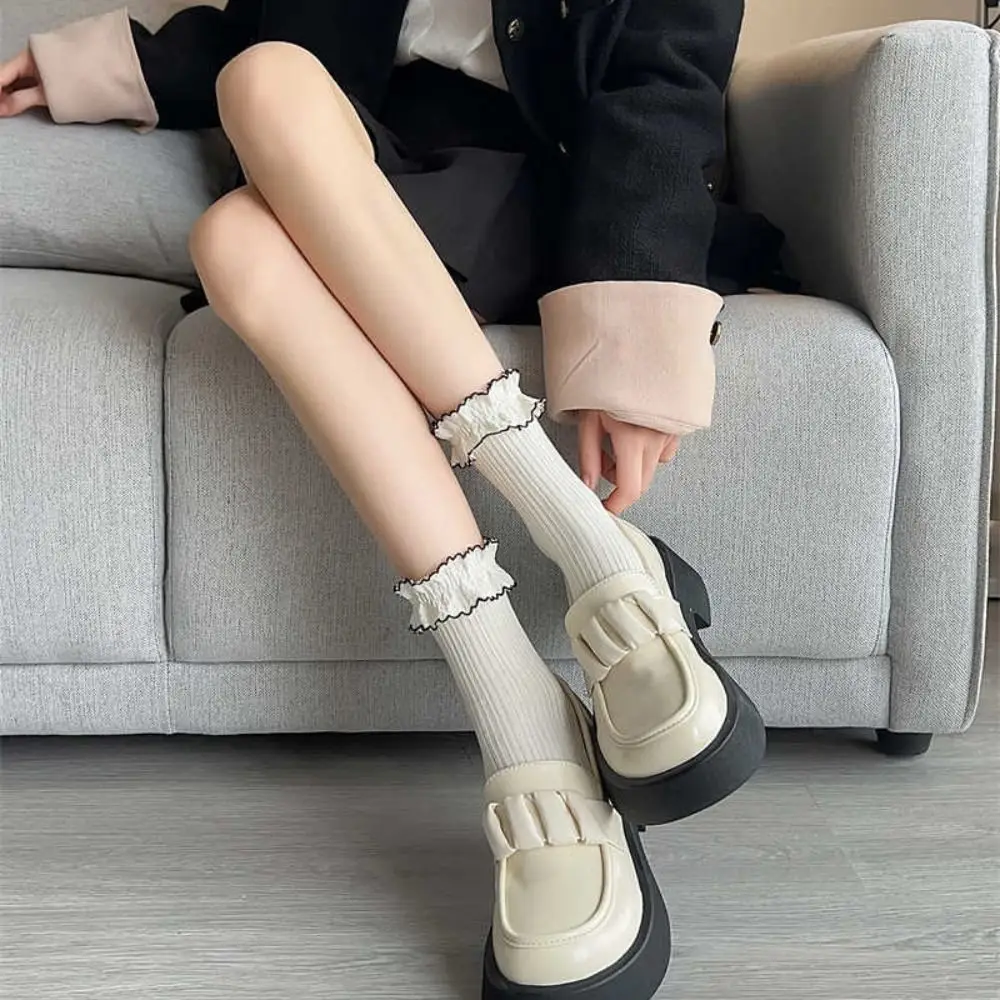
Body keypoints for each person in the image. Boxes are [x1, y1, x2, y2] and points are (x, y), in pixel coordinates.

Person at [0, 2, 767, 997]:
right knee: (239, 201)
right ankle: (551, 655)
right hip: (375, 183)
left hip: (557, 192)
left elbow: (668, 69)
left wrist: (636, 331)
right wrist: (105, 65)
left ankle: (587, 562)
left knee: (258, 126)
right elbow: (262, 28)